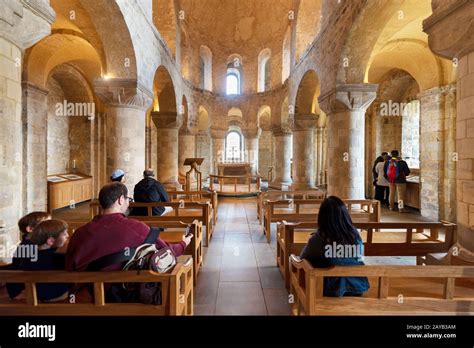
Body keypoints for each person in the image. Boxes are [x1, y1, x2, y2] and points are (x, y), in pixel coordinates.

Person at [66, 182, 192, 272]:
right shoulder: (136, 227)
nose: (128, 202)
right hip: (125, 294)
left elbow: (70, 265)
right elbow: (166, 251)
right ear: (121, 200)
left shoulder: (80, 233)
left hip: (87, 295)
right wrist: (183, 243)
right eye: (127, 198)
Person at [300, 196, 370, 297]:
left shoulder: (319, 239)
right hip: (357, 287)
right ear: (345, 215)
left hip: (331, 290)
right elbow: (359, 258)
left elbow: (303, 258)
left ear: (322, 217)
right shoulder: (355, 236)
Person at [6, 219, 71, 302]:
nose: (67, 235)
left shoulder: (27, 256)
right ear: (50, 241)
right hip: (57, 295)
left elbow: (15, 274)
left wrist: (15, 294)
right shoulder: (58, 257)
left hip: (33, 295)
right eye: (64, 234)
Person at [2, 212, 51, 298]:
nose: (51, 227)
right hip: (22, 288)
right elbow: (19, 272)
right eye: (46, 225)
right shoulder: (27, 247)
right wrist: (17, 293)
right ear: (30, 229)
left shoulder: (35, 243)